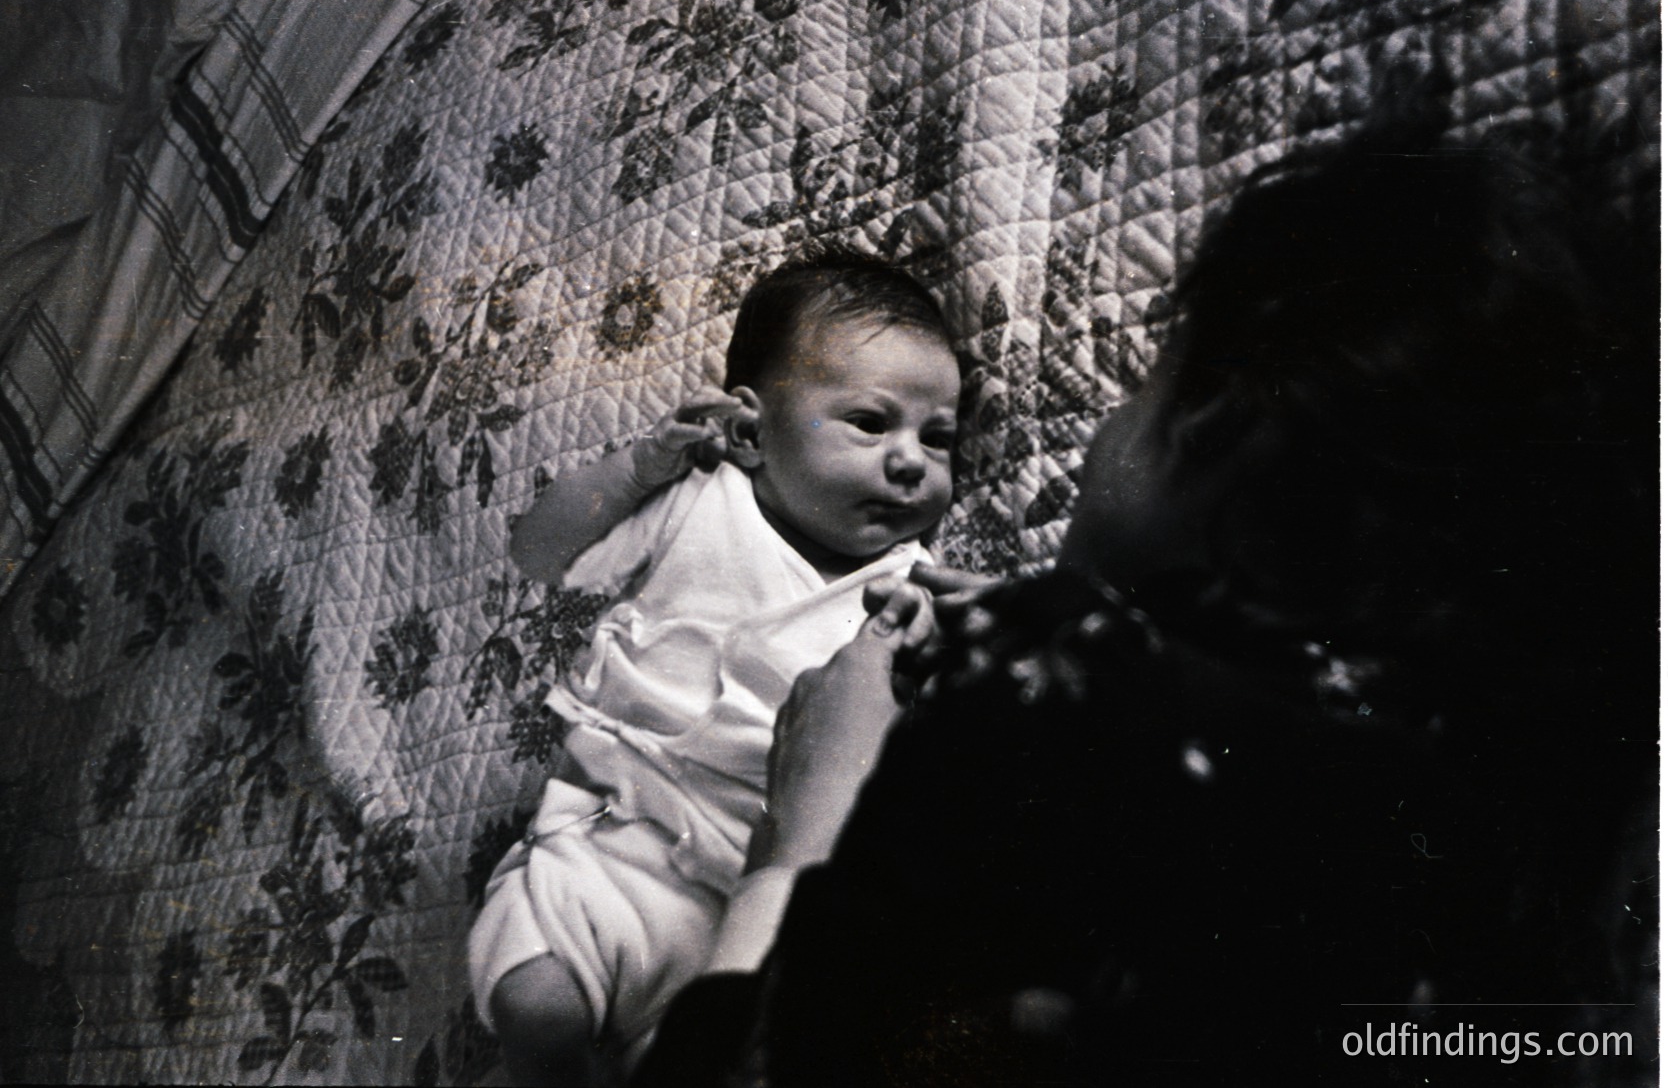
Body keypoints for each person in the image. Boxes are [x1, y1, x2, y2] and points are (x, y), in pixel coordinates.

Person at [636, 125, 1658, 1086]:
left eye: (1149, 376)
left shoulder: (1043, 683)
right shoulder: (1516, 880)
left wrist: (807, 828)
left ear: (1218, 431)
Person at [467, 251, 961, 1085]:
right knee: (537, 1003)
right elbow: (538, 551)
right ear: (754, 429)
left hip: (749, 894)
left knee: (701, 1055)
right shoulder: (698, 503)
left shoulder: (910, 588)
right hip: (615, 846)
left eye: (939, 437)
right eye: (872, 423)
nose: (912, 459)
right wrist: (634, 472)